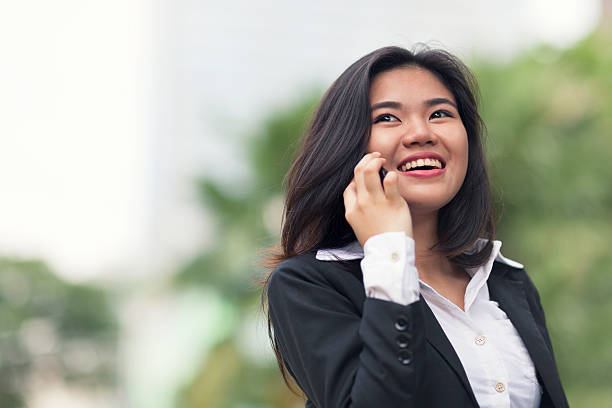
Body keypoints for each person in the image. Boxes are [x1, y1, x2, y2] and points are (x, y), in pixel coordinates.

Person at [261, 46, 568, 407]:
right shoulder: (309, 285)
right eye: (388, 118)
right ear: (346, 145)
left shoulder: (506, 280)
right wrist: (389, 249)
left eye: (440, 113)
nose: (421, 133)